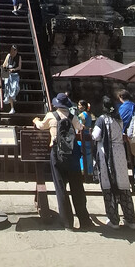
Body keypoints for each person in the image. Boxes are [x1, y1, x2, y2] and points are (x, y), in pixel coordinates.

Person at [33, 94, 93, 230]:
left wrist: (36, 121)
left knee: (61, 188)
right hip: (72, 153)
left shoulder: (51, 116)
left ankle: (67, 221)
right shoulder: (73, 117)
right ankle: (84, 219)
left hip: (57, 152)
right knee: (77, 187)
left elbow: (41, 126)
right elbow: (80, 128)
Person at [92, 96, 135, 229]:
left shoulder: (102, 120)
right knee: (123, 186)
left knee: (108, 186)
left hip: (107, 154)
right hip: (120, 153)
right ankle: (130, 219)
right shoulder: (118, 120)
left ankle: (113, 219)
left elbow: (96, 135)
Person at [77, 100, 95, 175]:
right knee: (89, 154)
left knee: (82, 153)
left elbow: (80, 126)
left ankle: (82, 169)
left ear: (83, 106)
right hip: (89, 134)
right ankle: (90, 170)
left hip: (83, 134)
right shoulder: (90, 115)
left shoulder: (81, 116)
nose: (78, 106)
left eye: (79, 105)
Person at [2, 45, 21, 115]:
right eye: (12, 50)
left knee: (16, 87)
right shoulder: (8, 56)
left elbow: (19, 67)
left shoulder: (19, 57)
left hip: (15, 74)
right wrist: (6, 67)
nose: (14, 52)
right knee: (9, 89)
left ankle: (13, 99)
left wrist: (14, 69)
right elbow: (4, 65)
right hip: (8, 75)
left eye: (15, 50)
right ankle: (12, 108)